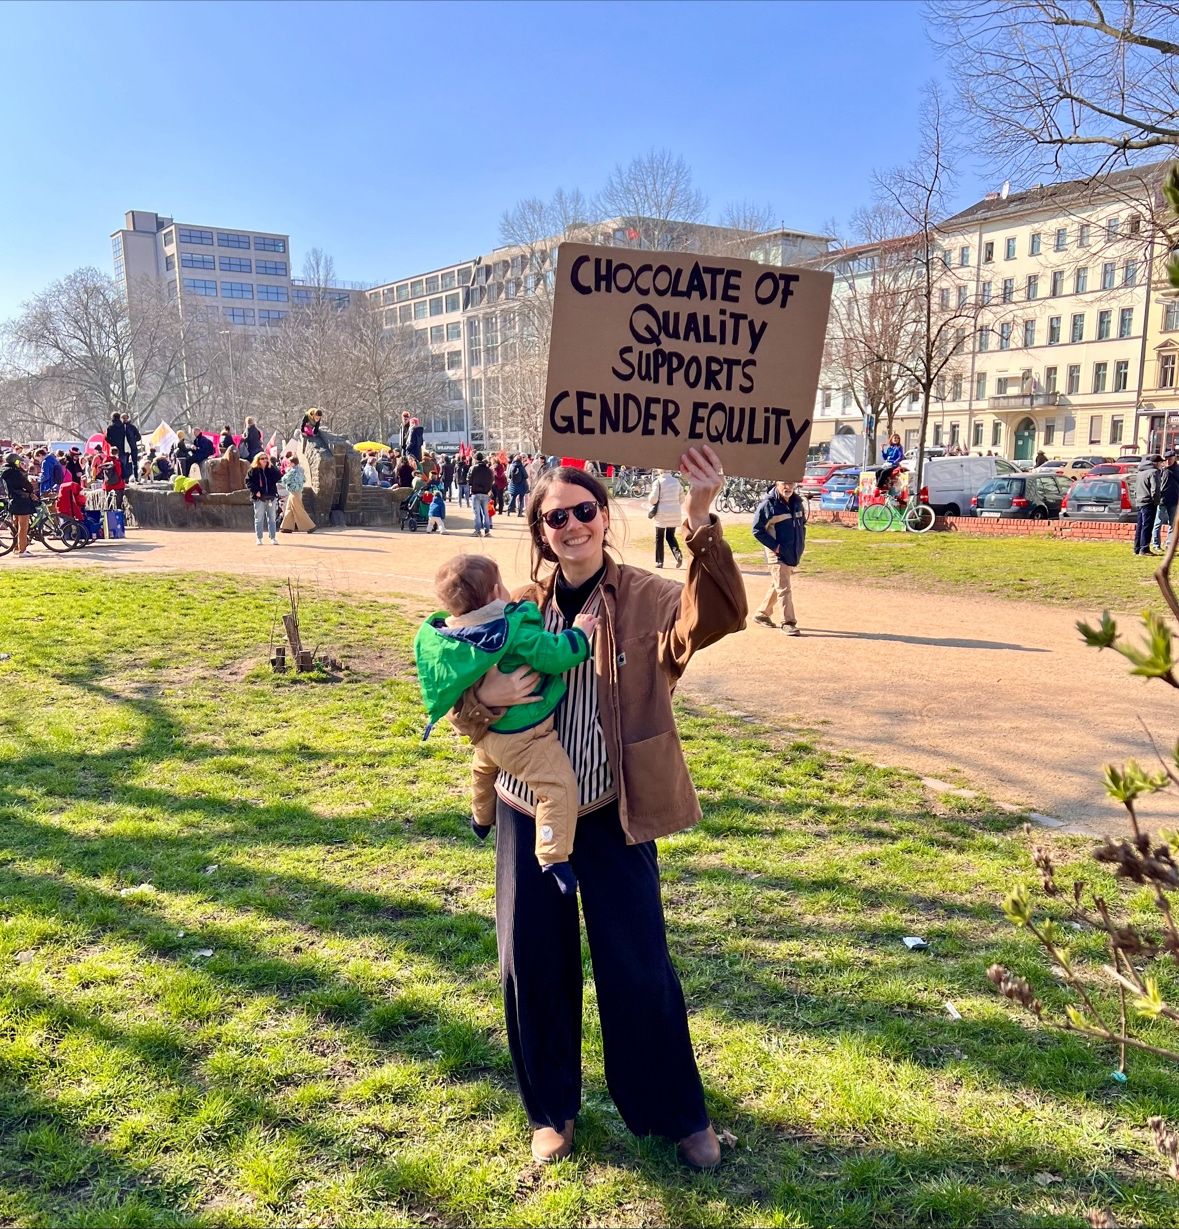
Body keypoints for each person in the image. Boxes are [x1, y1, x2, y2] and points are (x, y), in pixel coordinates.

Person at [446, 448, 744, 1169]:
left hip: (615, 804)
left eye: (585, 511)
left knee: (638, 964)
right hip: (529, 807)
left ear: (605, 518)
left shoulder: (645, 596)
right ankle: (552, 1110)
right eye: (557, 516)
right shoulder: (515, 604)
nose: (572, 524)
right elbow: (451, 678)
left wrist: (699, 521)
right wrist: (481, 702)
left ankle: (675, 1112)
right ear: (540, 529)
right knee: (532, 960)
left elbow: (719, 617)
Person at [417, 554, 598, 893]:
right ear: (494, 594)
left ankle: (481, 819)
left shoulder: (455, 637)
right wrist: (580, 634)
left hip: (487, 734)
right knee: (557, 787)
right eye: (500, 586)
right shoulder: (513, 631)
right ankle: (552, 852)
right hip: (523, 736)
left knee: (483, 770)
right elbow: (555, 655)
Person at [751, 480, 807, 635]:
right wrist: (775, 547)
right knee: (784, 588)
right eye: (784, 483)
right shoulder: (768, 504)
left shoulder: (797, 502)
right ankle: (788, 622)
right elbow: (757, 530)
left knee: (780, 584)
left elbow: (802, 525)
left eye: (791, 483)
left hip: (791, 551)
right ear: (776, 483)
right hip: (776, 553)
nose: (788, 487)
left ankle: (762, 614)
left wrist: (800, 546)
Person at [648, 469, 684, 568]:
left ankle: (660, 561)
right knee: (670, 536)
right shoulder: (676, 482)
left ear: (660, 471)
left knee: (659, 537)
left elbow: (653, 499)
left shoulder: (658, 482)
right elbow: (682, 498)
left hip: (662, 513)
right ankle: (678, 554)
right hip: (675, 512)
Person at [3, 454, 38, 556]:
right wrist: (31, 489)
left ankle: (16, 548)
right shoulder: (15, 473)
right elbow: (26, 485)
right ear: (15, 462)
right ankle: (22, 550)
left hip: (12, 500)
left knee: (15, 526)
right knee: (23, 527)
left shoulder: (5, 472)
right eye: (18, 462)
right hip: (21, 501)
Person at [247, 452, 280, 546]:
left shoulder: (271, 469)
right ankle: (259, 538)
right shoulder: (253, 470)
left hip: (271, 497)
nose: (264, 460)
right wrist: (255, 491)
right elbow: (248, 482)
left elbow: (278, 476)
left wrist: (272, 466)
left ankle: (273, 538)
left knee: (272, 518)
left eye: (266, 458)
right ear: (258, 460)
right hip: (259, 498)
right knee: (259, 518)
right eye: (262, 458)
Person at [279, 455, 315, 533]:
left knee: (298, 509)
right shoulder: (301, 470)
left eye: (289, 462)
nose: (288, 464)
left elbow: (284, 479)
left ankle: (310, 526)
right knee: (289, 509)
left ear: (292, 463)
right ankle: (286, 527)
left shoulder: (292, 471)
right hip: (298, 492)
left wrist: (286, 471)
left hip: (293, 492)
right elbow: (304, 480)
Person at [1135, 455, 1164, 556]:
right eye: (1161, 462)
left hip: (1140, 501)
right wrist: (1157, 501)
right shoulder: (1154, 472)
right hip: (1149, 502)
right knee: (1147, 526)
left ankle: (1137, 548)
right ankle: (1144, 549)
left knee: (1140, 526)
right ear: (1156, 463)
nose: (1162, 465)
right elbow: (1155, 489)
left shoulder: (1141, 472)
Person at [1153, 451, 1179, 553]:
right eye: (1166, 459)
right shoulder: (1162, 471)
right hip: (1162, 501)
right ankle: (1156, 544)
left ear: (1174, 458)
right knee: (1158, 523)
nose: (1167, 461)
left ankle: (1169, 544)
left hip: (1173, 501)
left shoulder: (1177, 470)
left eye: (1170, 459)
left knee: (1172, 524)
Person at [468, 451, 494, 537]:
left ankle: (477, 531)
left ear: (475, 459)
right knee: (486, 513)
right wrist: (488, 489)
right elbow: (491, 480)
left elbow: (469, 480)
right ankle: (487, 531)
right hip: (485, 493)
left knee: (477, 513)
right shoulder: (488, 470)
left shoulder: (473, 468)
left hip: (476, 492)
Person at [100, 447, 126, 511]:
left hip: (107, 485)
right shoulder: (117, 462)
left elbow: (102, 473)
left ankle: (110, 519)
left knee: (109, 505)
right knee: (118, 505)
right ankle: (118, 519)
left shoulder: (105, 460)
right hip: (118, 485)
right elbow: (120, 473)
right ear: (117, 453)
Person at [105, 411, 128, 479]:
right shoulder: (123, 426)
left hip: (114, 449)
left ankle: (116, 478)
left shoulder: (110, 427)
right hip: (123, 447)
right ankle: (124, 478)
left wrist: (112, 444)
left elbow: (106, 438)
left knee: (114, 464)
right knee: (123, 464)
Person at [122, 414, 141, 481]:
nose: (125, 419)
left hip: (132, 447)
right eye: (123, 418)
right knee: (125, 463)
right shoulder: (120, 427)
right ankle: (126, 478)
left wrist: (133, 440)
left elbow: (139, 437)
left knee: (134, 462)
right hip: (124, 447)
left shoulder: (132, 427)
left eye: (126, 418)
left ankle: (136, 478)